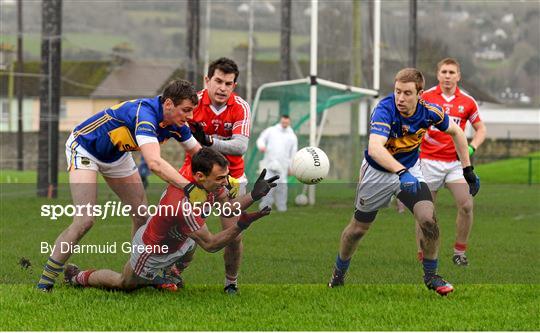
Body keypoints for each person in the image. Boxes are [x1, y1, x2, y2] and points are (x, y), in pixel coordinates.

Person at [37, 80, 205, 292]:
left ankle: (137, 272)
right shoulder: (145, 115)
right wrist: (189, 187)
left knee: (141, 215)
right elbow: (154, 163)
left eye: (192, 111)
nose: (190, 116)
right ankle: (45, 281)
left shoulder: (177, 124)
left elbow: (199, 155)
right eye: (186, 110)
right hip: (84, 147)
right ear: (169, 104)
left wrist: (225, 178)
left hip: (116, 155)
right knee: (85, 220)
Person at [327, 68, 480, 296]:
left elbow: (457, 133)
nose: (400, 98)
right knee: (357, 230)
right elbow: (375, 148)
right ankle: (338, 274)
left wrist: (468, 169)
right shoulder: (385, 109)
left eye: (407, 93)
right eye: (397, 91)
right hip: (377, 173)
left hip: (410, 170)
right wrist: (401, 172)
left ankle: (431, 276)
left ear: (420, 94)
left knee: (428, 220)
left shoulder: (429, 111)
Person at [62, 148, 278, 292]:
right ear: (200, 176)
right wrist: (242, 225)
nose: (225, 183)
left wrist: (253, 196)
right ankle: (78, 277)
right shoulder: (183, 204)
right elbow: (211, 244)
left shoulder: (210, 186)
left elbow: (227, 209)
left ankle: (169, 274)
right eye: (220, 178)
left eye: (226, 176)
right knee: (125, 284)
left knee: (189, 245)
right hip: (153, 250)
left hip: (183, 237)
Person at [181, 57, 251, 294]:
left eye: (228, 83)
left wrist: (209, 141)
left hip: (232, 179)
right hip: (197, 177)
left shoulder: (240, 107)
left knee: (233, 235)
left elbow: (240, 146)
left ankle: (231, 282)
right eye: (218, 81)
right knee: (186, 230)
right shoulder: (193, 103)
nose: (222, 88)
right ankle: (173, 274)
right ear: (207, 80)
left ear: (234, 86)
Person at [418, 58, 486, 266]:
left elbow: (481, 129)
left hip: (456, 164)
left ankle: (459, 252)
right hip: (428, 162)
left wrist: (472, 147)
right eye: (444, 72)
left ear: (458, 76)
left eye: (452, 72)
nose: (448, 76)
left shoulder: (467, 101)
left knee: (466, 205)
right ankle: (423, 254)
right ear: (438, 74)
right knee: (425, 212)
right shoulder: (425, 97)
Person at [256, 115, 298, 212]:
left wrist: (291, 167)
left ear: (289, 122)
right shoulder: (271, 131)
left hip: (283, 166)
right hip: (269, 163)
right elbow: (261, 139)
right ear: (280, 121)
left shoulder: (292, 136)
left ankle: (282, 207)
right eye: (283, 122)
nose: (285, 124)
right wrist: (262, 146)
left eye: (286, 122)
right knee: (267, 185)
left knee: (282, 188)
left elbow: (293, 153)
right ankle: (265, 206)